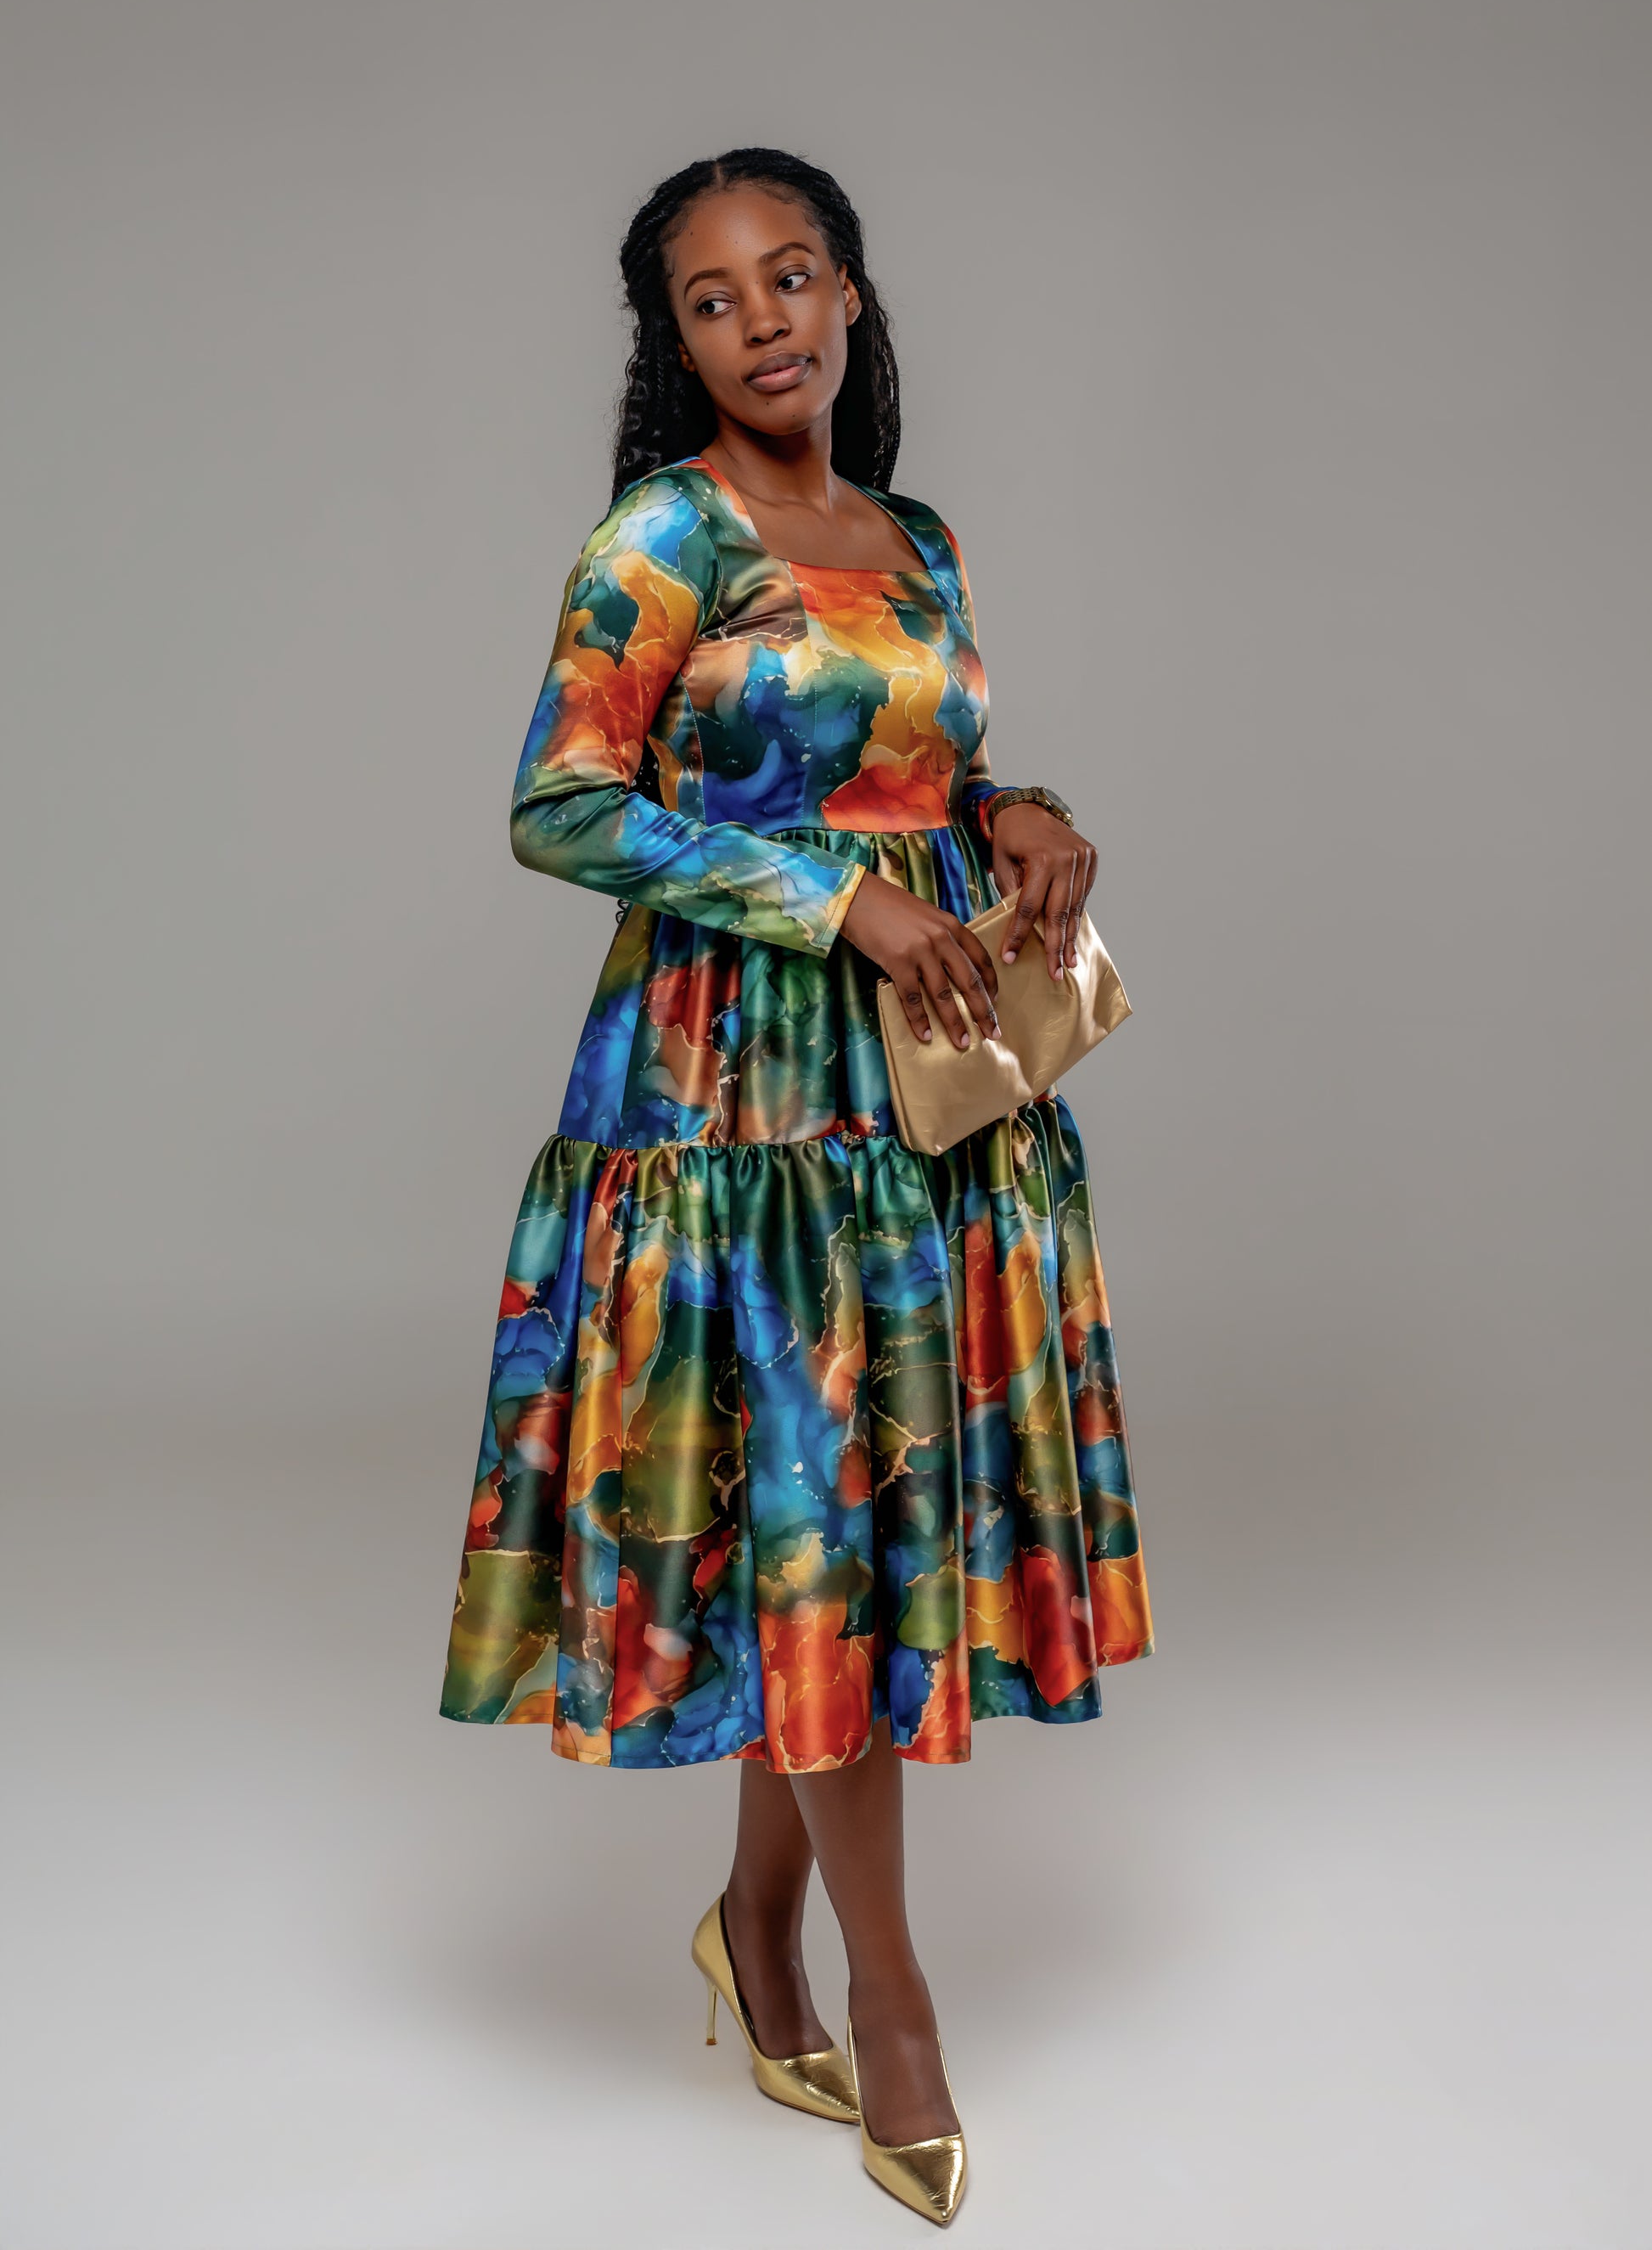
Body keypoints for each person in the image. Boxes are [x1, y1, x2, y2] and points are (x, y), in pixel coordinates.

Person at [440, 146, 1152, 2225]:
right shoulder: (660, 535)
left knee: (827, 1512)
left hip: (923, 1095)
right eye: (713, 295)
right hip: (732, 1101)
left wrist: (1021, 813)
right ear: (675, 343)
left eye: (793, 273)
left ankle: (753, 1929)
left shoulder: (914, 537)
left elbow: (920, 769)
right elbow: (562, 804)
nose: (763, 318)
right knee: (807, 1504)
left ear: (851, 295)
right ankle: (889, 2000)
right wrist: (831, 901)